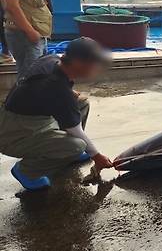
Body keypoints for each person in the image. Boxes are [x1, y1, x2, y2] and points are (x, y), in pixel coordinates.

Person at [0, 37, 114, 191]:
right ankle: (26, 171)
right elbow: (75, 129)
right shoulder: (58, 90)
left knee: (82, 104)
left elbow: (37, 83)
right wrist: (97, 157)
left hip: (26, 115)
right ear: (78, 63)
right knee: (77, 145)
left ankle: (64, 150)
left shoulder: (52, 60)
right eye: (93, 63)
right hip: (14, 133)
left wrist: (69, 91)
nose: (96, 68)